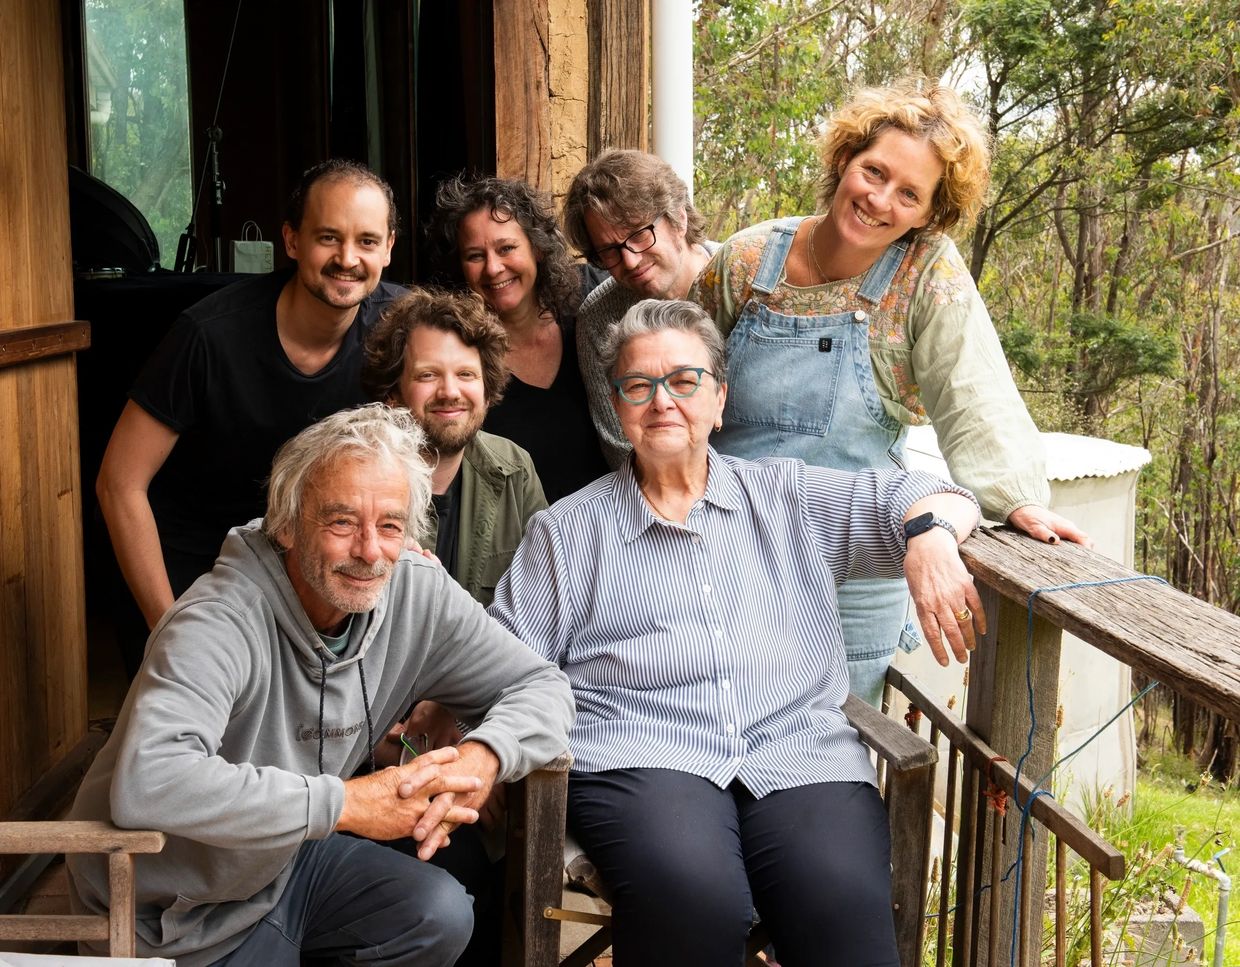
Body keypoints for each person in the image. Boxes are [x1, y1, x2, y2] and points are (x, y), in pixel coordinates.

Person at [487, 299, 983, 966]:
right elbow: (508, 660)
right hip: (642, 756)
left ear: (720, 398)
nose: (663, 401)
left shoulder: (787, 496)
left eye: (685, 381)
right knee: (693, 897)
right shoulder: (568, 531)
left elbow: (926, 491)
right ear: (618, 406)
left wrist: (927, 536)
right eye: (640, 385)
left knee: (838, 897)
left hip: (796, 748)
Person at [67, 404, 574, 967]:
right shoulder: (216, 620)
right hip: (171, 914)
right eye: (341, 522)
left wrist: (483, 756)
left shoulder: (414, 591)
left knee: (437, 912)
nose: (368, 551)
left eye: (389, 525)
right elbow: (151, 780)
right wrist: (346, 804)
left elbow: (542, 685)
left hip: (280, 867)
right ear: (285, 523)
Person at [691, 80, 1089, 705]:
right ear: (842, 160)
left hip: (856, 571)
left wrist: (1014, 498)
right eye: (873, 172)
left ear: (930, 213)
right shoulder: (744, 262)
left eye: (910, 194)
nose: (880, 200)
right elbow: (676, 390)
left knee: (838, 766)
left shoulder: (926, 271)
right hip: (722, 555)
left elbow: (973, 391)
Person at [96, 159, 406, 675]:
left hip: (312, 565)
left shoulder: (401, 330)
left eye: (367, 242)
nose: (347, 258)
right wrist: (168, 629)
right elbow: (119, 483)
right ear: (291, 240)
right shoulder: (209, 334)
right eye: (328, 237)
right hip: (197, 565)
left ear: (389, 247)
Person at [362, 287, 546, 606]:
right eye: (428, 375)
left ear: (487, 392)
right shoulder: (353, 476)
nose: (450, 392)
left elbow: (543, 599)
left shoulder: (515, 467)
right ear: (393, 393)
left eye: (465, 374)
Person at [431, 174, 607, 502]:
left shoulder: (592, 299)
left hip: (614, 528)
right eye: (475, 256)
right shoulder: (461, 360)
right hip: (519, 541)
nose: (493, 268)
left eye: (507, 248)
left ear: (537, 249)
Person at [562, 149, 717, 467]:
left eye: (639, 235)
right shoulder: (598, 317)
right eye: (610, 250)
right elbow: (621, 446)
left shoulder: (739, 278)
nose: (629, 260)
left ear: (679, 217)